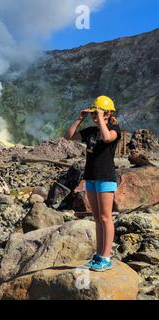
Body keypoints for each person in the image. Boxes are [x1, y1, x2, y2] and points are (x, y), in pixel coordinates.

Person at [65, 96, 121, 272]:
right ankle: (98, 255)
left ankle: (106, 257)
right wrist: (80, 118)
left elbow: (106, 138)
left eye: (99, 113)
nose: (95, 117)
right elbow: (68, 137)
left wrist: (102, 118)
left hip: (106, 177)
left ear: (108, 113)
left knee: (106, 217)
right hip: (91, 177)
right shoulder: (90, 131)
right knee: (97, 218)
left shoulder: (114, 129)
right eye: (94, 114)